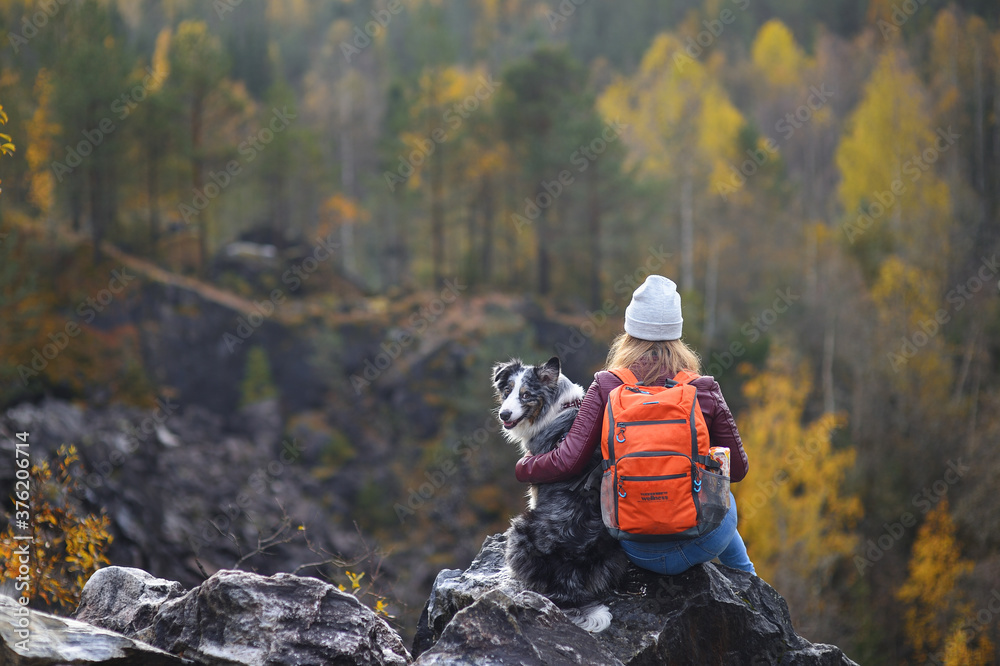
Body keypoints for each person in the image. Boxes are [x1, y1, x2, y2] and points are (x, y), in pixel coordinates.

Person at [515, 275, 756, 576]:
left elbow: (568, 461)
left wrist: (525, 467)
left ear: (629, 332)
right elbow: (739, 470)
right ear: (677, 335)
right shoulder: (703, 389)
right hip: (703, 541)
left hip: (634, 546)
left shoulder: (607, 385)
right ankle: (749, 582)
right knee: (721, 497)